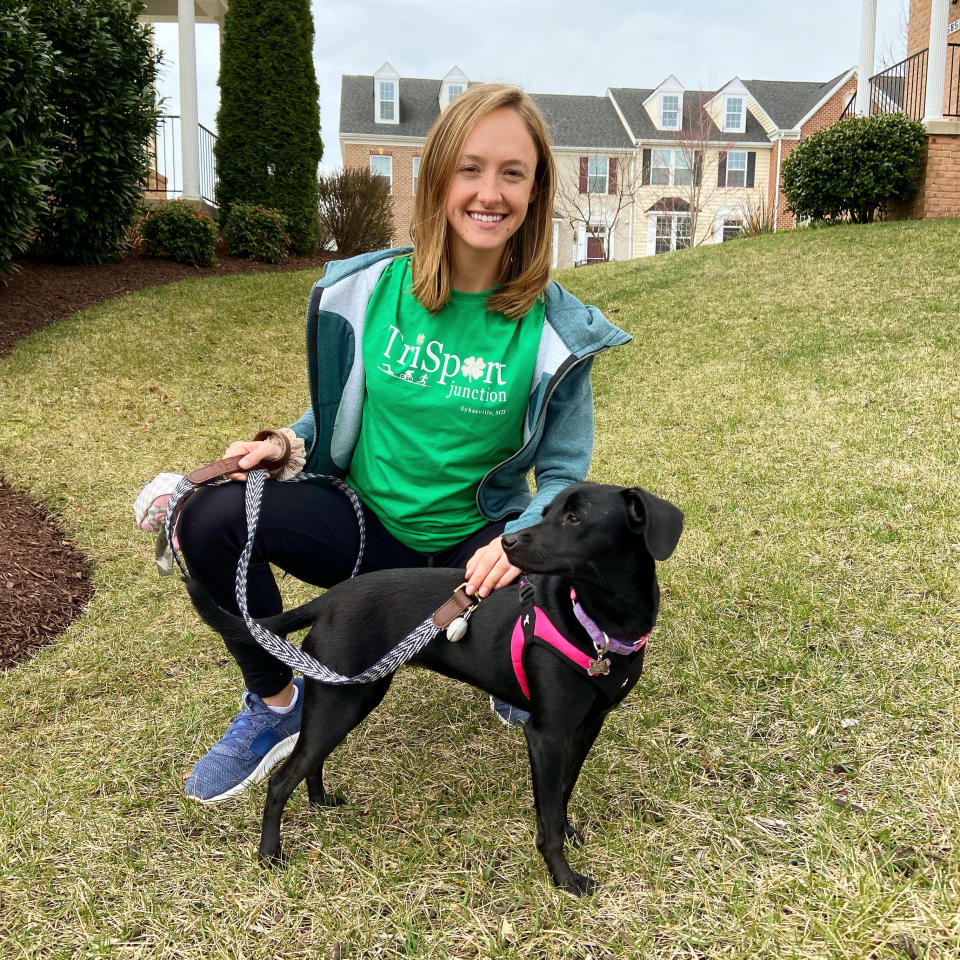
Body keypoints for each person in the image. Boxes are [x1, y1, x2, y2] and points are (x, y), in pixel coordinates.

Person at [167, 83, 630, 803]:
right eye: (470, 169)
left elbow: (565, 471)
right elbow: (347, 402)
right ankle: (277, 705)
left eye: (514, 173)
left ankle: (516, 659)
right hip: (365, 531)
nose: (490, 192)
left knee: (567, 557)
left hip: (474, 549)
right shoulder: (373, 289)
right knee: (206, 516)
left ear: (536, 193)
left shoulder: (554, 328)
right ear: (438, 176)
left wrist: (512, 547)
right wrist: (289, 442)